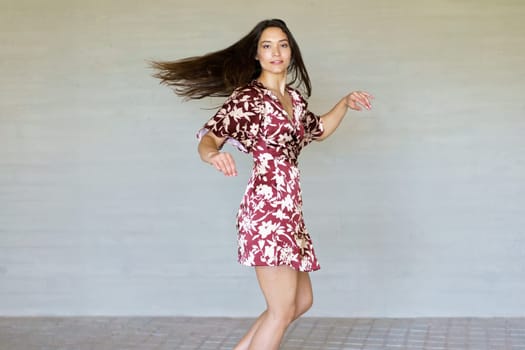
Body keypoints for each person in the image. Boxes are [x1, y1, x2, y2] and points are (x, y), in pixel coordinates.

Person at [151, 18, 373, 350]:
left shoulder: (295, 101)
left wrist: (344, 103)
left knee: (300, 302)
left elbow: (320, 130)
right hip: (267, 212)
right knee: (281, 310)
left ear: (291, 52)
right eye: (267, 46)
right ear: (256, 55)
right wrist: (212, 155)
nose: (275, 52)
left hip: (290, 213)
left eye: (283, 45)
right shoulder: (249, 99)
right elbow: (210, 137)